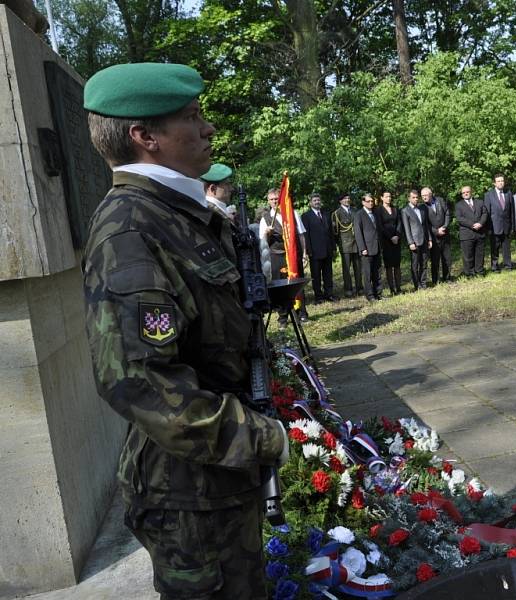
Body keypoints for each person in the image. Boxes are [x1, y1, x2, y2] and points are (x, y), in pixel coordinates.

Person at [81, 62, 288, 600]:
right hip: (189, 493)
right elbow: (137, 380)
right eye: (192, 118)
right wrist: (260, 436)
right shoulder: (131, 226)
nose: (208, 130)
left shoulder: (178, 212)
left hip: (217, 479)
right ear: (145, 137)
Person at [259, 188, 309, 324]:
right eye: (272, 199)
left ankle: (301, 313)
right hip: (277, 256)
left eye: (277, 199)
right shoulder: (265, 219)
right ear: (268, 201)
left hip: (293, 254)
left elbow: (301, 235)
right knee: (280, 286)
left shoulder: (292, 213)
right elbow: (262, 242)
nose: (275, 201)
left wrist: (304, 254)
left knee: (297, 283)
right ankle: (283, 317)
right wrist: (266, 234)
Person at [302, 192, 337, 302]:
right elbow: (305, 235)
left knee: (328, 274)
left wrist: (333, 247)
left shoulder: (326, 214)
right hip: (315, 251)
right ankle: (318, 296)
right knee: (316, 275)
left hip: (327, 249)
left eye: (318, 200)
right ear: (310, 203)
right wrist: (308, 251)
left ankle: (329, 294)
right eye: (314, 200)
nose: (317, 202)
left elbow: (331, 232)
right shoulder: (306, 216)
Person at [332, 192, 362, 297]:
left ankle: (359, 288)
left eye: (348, 198)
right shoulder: (336, 213)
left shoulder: (355, 211)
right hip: (345, 244)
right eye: (345, 199)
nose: (347, 200)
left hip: (356, 243)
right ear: (340, 201)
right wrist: (337, 245)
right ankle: (348, 289)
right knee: (346, 269)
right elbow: (335, 232)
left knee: (358, 267)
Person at [401, 189, 432, 290]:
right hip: (414, 242)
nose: (415, 199)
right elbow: (406, 228)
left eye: (417, 198)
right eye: (413, 198)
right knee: (415, 265)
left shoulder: (422, 209)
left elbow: (426, 225)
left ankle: (423, 283)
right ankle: (417, 285)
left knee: (424, 263)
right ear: (409, 198)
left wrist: (430, 239)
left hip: (424, 240)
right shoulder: (405, 211)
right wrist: (410, 242)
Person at [353, 193, 383, 301]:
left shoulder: (375, 213)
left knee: (377, 272)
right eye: (368, 201)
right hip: (366, 249)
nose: (371, 203)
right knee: (367, 273)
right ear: (363, 202)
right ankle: (370, 295)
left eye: (372, 201)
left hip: (377, 247)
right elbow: (357, 232)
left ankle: (378, 293)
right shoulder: (359, 215)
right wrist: (362, 248)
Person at [455, 185, 488, 277]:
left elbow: (484, 214)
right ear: (462, 194)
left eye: (467, 192)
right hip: (467, 234)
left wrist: (480, 223)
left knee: (479, 254)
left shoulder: (480, 202)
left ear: (471, 192)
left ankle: (480, 271)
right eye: (463, 192)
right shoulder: (458, 205)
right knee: (468, 255)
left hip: (480, 232)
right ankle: (470, 273)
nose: (465, 193)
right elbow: (460, 218)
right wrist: (472, 225)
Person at [375, 191, 404, 295]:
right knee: (389, 266)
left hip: (396, 240)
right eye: (386, 197)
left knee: (397, 265)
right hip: (386, 241)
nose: (389, 198)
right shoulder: (378, 210)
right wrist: (390, 237)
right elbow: (380, 226)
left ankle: (399, 288)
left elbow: (399, 223)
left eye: (390, 196)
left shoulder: (395, 209)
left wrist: (397, 235)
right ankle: (392, 289)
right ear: (382, 198)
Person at [421, 187, 452, 285]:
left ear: (431, 194)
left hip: (445, 234)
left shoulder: (440, 200)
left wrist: (445, 226)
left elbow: (447, 213)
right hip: (434, 237)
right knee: (435, 260)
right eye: (422, 196)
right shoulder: (422, 207)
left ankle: (447, 278)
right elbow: (425, 224)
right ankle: (436, 280)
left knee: (447, 258)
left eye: (426, 195)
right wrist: (436, 231)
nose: (424, 197)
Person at [484, 173, 514, 271]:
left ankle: (508, 265)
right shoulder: (488, 195)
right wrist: (488, 228)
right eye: (499, 181)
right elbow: (487, 212)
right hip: (494, 226)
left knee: (506, 248)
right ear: (494, 183)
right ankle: (495, 266)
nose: (501, 183)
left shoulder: (508, 193)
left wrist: (512, 226)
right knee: (494, 248)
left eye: (502, 181)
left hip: (506, 226)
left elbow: (511, 211)